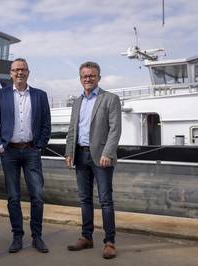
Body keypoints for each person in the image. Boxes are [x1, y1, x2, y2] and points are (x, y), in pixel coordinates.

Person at [0, 58, 51, 254]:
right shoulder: (1, 95)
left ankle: (37, 237)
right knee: (13, 197)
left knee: (38, 196)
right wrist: (0, 146)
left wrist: (39, 146)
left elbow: (46, 125)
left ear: (28, 72)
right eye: (16, 70)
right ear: (11, 73)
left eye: (23, 69)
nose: (19, 73)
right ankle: (17, 236)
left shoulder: (40, 96)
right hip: (9, 152)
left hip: (32, 151)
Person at [65, 61, 121, 259]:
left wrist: (107, 152)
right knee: (84, 199)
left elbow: (115, 130)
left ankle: (110, 241)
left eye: (92, 75)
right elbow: (72, 129)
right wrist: (69, 152)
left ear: (98, 77)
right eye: (84, 76)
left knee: (105, 200)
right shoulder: (78, 102)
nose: (88, 78)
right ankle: (86, 237)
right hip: (80, 155)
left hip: (102, 157)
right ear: (80, 79)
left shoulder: (110, 99)